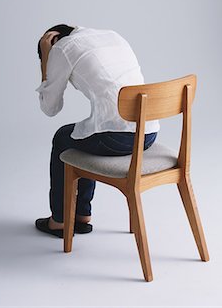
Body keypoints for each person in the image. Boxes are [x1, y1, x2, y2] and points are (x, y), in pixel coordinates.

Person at [35, 24, 160, 238]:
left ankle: (60, 220)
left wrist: (47, 58)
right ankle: (82, 214)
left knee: (64, 137)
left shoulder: (62, 48)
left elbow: (50, 108)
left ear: (53, 39)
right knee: (85, 130)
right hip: (148, 133)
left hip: (118, 139)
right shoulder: (112, 35)